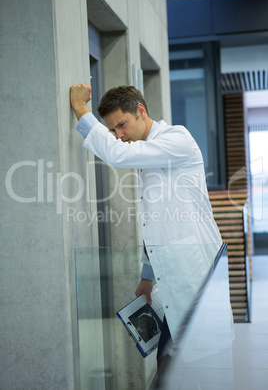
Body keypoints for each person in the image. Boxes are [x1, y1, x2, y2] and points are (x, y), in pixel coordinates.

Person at [70, 82, 222, 365]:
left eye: (121, 125)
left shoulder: (176, 140)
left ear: (140, 110)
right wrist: (147, 277)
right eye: (113, 130)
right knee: (172, 363)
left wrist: (80, 109)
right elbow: (156, 221)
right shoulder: (149, 151)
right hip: (174, 275)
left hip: (195, 274)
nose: (119, 135)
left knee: (192, 365)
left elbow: (117, 154)